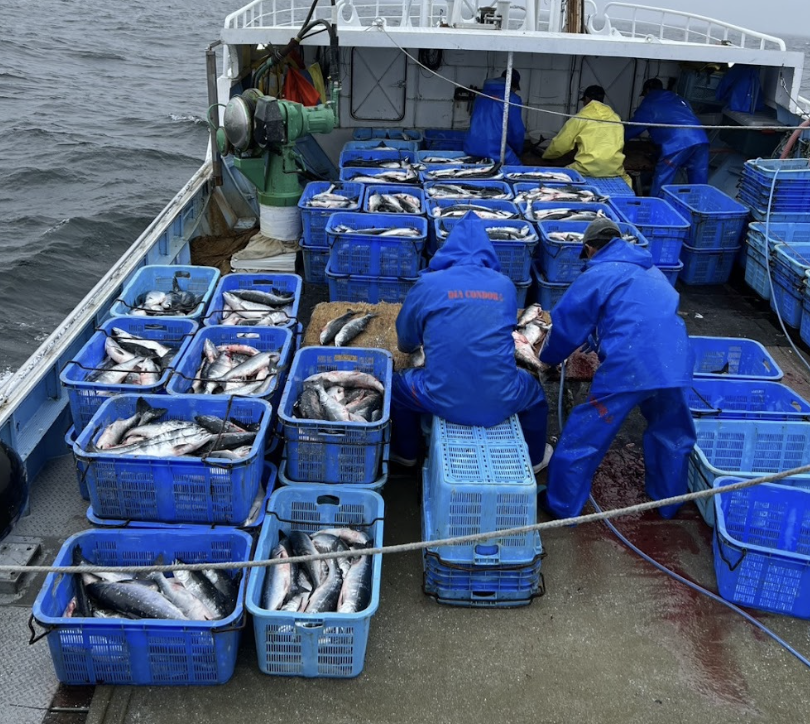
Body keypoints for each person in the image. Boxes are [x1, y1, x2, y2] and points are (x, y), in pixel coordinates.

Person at [538, 217, 696, 520]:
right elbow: (641, 314)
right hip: (675, 362)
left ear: (589, 248)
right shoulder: (652, 271)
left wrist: (548, 357)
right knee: (672, 432)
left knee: (585, 432)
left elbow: (566, 326)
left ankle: (561, 505)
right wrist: (599, 334)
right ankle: (669, 502)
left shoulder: (598, 273)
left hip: (630, 364)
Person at [391, 212, 552, 471]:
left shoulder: (428, 283)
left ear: (447, 250)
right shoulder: (505, 285)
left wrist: (413, 347)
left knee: (398, 388)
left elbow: (406, 340)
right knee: (534, 394)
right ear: (488, 252)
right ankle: (534, 459)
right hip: (502, 397)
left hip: (438, 397)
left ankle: (406, 453)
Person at [625, 78, 710, 196]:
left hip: (678, 142)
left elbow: (634, 127)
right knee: (699, 182)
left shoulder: (650, 102)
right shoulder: (679, 99)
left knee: (663, 177)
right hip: (701, 138)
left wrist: (618, 141)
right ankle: (700, 204)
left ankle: (657, 205)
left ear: (647, 90)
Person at [542, 85, 632, 187]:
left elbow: (561, 144)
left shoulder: (580, 118)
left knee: (559, 178)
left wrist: (547, 155)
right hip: (614, 169)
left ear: (587, 99)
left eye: (584, 101)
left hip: (586, 169)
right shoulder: (615, 118)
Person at [464, 70, 525, 165]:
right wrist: (518, 151)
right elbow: (517, 131)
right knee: (518, 169)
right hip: (495, 150)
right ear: (513, 86)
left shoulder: (480, 96)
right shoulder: (513, 99)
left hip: (471, 147)